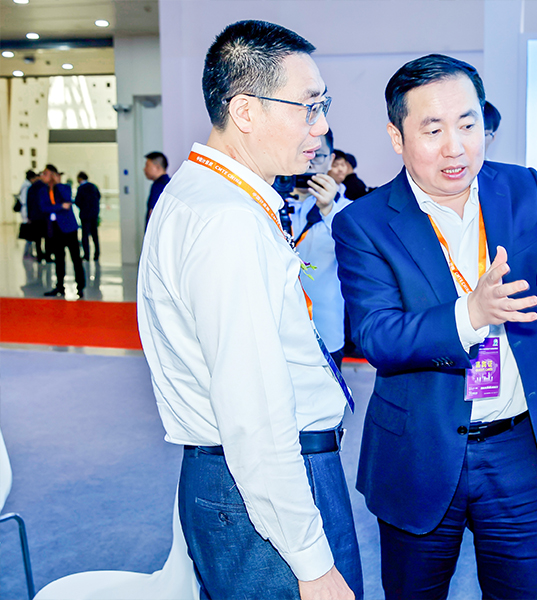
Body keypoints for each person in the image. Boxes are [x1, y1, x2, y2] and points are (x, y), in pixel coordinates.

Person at [333, 54, 537, 600]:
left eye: (468, 126)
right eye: (433, 130)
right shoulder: (364, 223)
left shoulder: (521, 188)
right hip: (419, 451)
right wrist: (471, 313)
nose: (456, 147)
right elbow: (377, 336)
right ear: (397, 137)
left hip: (519, 446)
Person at [136, 20, 361, 600]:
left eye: (323, 105)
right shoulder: (229, 222)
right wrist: (312, 564)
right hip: (267, 489)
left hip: (238, 483)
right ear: (245, 111)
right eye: (309, 106)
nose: (322, 125)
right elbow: (254, 416)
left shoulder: (204, 194)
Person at [288, 130, 351, 368]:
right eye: (302, 152)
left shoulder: (346, 210)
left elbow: (357, 254)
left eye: (317, 154)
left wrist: (328, 209)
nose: (309, 161)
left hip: (326, 331)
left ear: (331, 159)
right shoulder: (272, 202)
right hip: (280, 333)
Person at [39, 165, 86, 298]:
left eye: (46, 173)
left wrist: (58, 184)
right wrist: (60, 206)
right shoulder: (43, 190)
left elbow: (67, 201)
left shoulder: (64, 187)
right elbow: (44, 208)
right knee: (59, 259)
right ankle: (60, 286)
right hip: (55, 229)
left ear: (53, 175)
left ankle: (80, 287)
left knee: (76, 258)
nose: (43, 176)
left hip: (69, 228)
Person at [74, 171, 101, 262]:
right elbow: (98, 197)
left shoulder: (81, 188)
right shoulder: (94, 186)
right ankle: (97, 254)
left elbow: (78, 201)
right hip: (94, 214)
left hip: (85, 215)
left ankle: (87, 255)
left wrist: (83, 207)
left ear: (80, 178)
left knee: (85, 235)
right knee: (94, 235)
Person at [26, 170, 49, 262]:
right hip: (44, 216)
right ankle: (47, 255)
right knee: (47, 237)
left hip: (35, 217)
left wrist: (29, 216)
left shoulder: (31, 189)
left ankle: (39, 255)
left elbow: (29, 204)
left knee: (37, 238)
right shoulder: (45, 187)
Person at [143, 151, 170, 227]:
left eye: (147, 166)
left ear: (158, 167)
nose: (144, 169)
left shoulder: (158, 186)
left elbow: (153, 213)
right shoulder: (169, 183)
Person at [18, 170, 39, 259]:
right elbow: (25, 202)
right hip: (26, 212)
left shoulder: (26, 185)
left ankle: (28, 253)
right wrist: (28, 216)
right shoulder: (27, 187)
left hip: (26, 212)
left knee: (29, 235)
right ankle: (27, 254)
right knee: (29, 235)